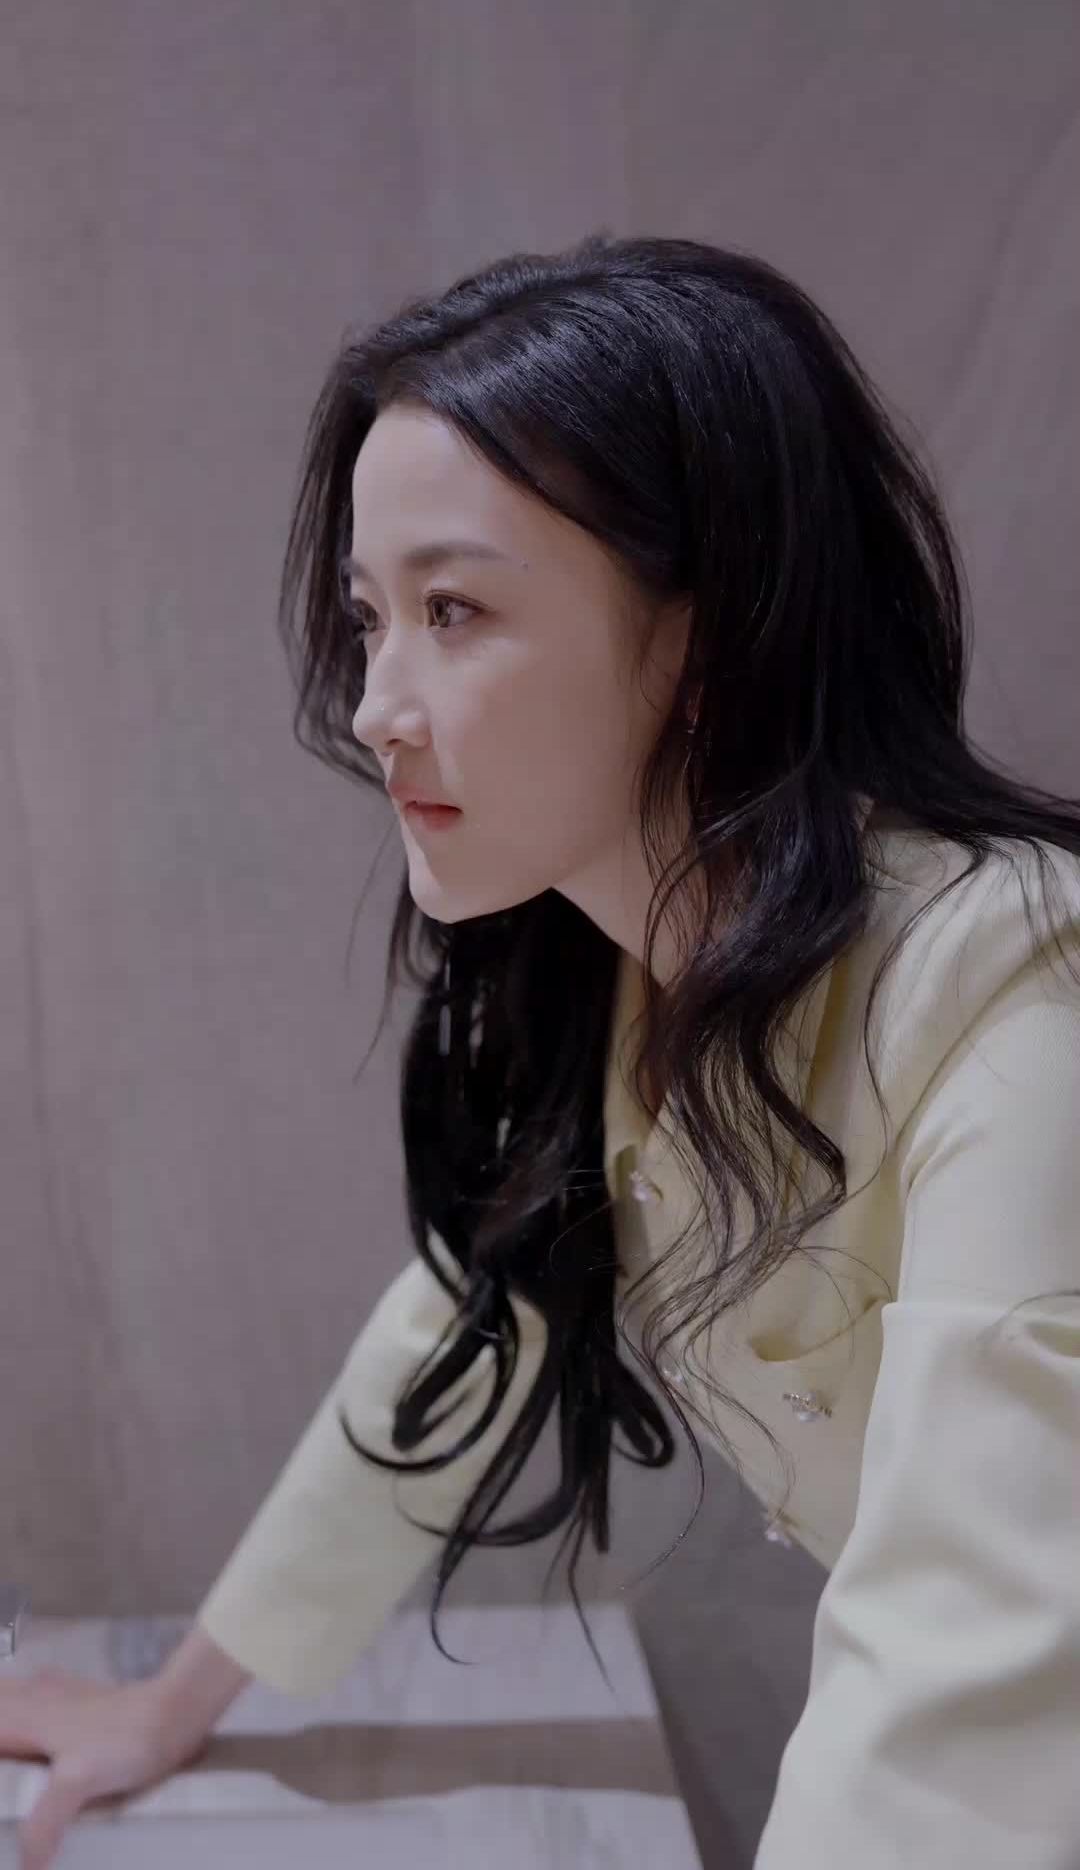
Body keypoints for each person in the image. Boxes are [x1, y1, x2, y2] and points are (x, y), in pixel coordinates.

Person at [2, 234, 1078, 1869]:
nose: (375, 705)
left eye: (455, 610)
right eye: (371, 616)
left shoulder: (1014, 985)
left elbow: (966, 1678)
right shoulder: (624, 978)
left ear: (705, 638)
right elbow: (471, 1311)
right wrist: (174, 1704)